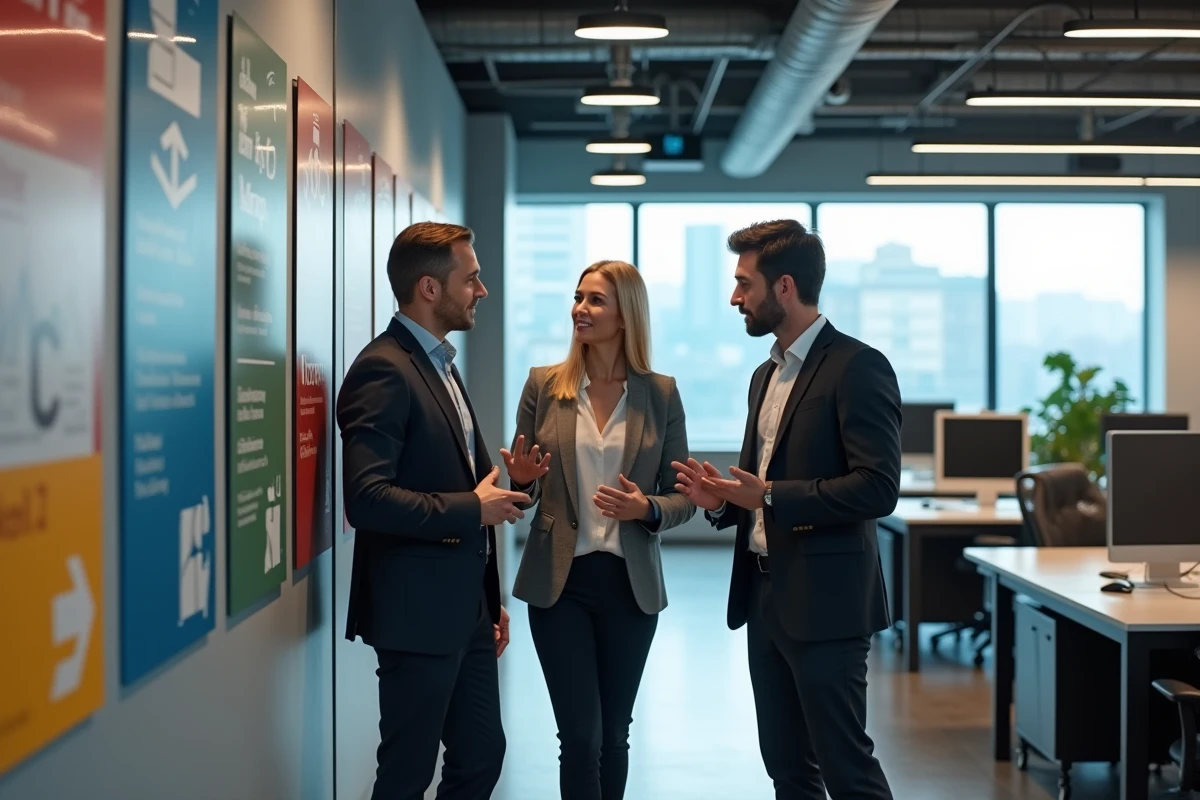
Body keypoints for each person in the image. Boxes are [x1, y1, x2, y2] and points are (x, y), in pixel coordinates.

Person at [673, 220, 901, 800]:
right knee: (788, 770)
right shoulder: (764, 375)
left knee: (847, 769)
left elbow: (877, 488)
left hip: (828, 603)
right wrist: (722, 502)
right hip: (765, 596)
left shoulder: (857, 366)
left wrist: (770, 496)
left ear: (784, 287)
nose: (734, 298)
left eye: (743, 283)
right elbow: (759, 487)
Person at [337, 221, 527, 800]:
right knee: (407, 772)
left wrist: (488, 599)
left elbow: (458, 485)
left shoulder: (440, 363)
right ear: (428, 287)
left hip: (464, 611)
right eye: (471, 279)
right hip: (415, 614)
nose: (482, 290)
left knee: (481, 759)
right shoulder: (384, 369)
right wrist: (473, 507)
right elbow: (366, 499)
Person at [504, 260, 696, 800]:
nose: (578, 310)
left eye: (594, 301)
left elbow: (685, 497)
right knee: (581, 736)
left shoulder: (660, 393)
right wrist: (520, 483)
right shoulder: (544, 386)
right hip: (558, 583)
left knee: (615, 734)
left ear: (625, 314)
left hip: (629, 587)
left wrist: (648, 509)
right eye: (577, 298)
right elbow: (520, 490)